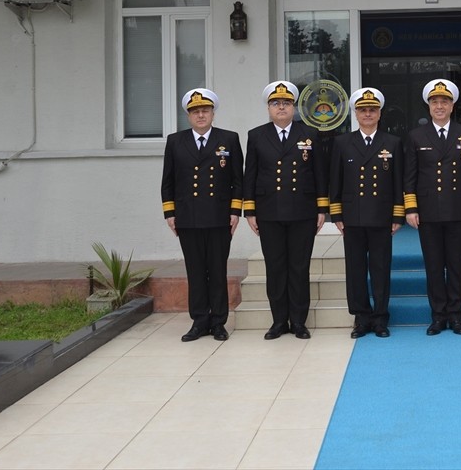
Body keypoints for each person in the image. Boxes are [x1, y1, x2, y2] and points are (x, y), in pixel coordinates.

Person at [242, 81, 329, 340]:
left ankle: (299, 322)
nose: (281, 107)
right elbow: (251, 175)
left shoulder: (310, 133)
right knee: (276, 267)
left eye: (286, 103)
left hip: (302, 211)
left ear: (294, 107)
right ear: (268, 108)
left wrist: (321, 208)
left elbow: (319, 173)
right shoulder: (256, 135)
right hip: (269, 212)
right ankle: (279, 321)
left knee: (299, 267)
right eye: (276, 103)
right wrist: (250, 211)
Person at [160, 88, 243, 342]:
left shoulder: (228, 139)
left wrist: (235, 211)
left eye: (205, 110)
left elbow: (237, 179)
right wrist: (170, 213)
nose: (201, 115)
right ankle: (199, 321)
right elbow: (168, 181)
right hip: (188, 217)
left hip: (219, 217)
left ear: (213, 113)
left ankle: (218, 322)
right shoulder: (176, 141)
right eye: (195, 111)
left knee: (217, 269)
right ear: (188, 115)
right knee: (195, 270)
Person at [402, 79, 461, 336]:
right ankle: (438, 316)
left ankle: (456, 316)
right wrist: (411, 208)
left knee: (457, 265)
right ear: (428, 106)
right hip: (427, 211)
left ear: (452, 105)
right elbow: (410, 176)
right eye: (435, 102)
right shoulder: (416, 136)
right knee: (434, 265)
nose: (439, 106)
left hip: (459, 209)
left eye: (444, 102)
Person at [329, 87, 404, 338]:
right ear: (356, 114)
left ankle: (381, 318)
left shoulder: (392, 142)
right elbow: (335, 182)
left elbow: (397, 182)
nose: (368, 114)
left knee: (381, 268)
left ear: (380, 113)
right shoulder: (341, 142)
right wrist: (337, 216)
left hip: (382, 217)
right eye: (363, 110)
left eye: (372, 110)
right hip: (352, 217)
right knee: (356, 269)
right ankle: (361, 318)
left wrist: (397, 215)